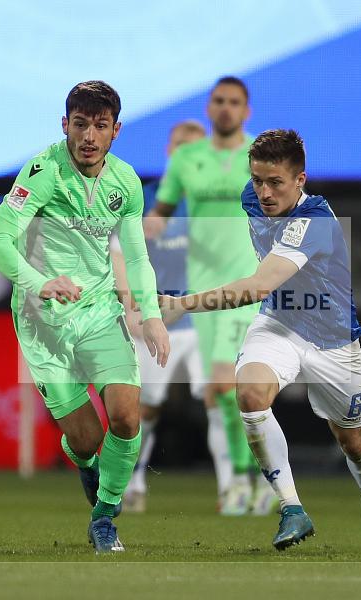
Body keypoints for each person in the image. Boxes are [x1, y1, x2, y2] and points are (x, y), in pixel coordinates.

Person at [159, 129, 361, 553]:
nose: (263, 191)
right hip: (278, 326)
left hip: (333, 342)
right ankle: (292, 508)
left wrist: (183, 305)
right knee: (251, 392)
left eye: (275, 182)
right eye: (257, 179)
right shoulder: (250, 197)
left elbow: (259, 285)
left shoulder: (313, 221)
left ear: (300, 180)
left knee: (355, 442)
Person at [0, 80, 170, 554]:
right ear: (65, 125)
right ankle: (83, 459)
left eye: (100, 126)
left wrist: (150, 315)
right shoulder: (43, 171)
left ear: (116, 131)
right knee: (87, 441)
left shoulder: (125, 182)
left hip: (100, 311)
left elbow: (137, 255)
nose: (89, 136)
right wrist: (37, 281)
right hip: (43, 321)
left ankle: (104, 518)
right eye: (80, 124)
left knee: (126, 418)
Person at [145, 76, 275, 516]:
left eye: (234, 102)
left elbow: (284, 204)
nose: (225, 109)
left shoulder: (261, 154)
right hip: (202, 291)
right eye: (218, 101)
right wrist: (146, 228)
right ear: (208, 107)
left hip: (248, 283)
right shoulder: (186, 158)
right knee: (222, 390)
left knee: (236, 384)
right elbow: (161, 211)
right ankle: (247, 479)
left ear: (246, 111)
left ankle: (253, 480)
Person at [111, 120, 232, 513]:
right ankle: (134, 483)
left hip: (204, 322)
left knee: (221, 398)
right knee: (145, 406)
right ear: (169, 151)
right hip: (157, 318)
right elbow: (119, 256)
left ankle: (232, 488)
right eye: (180, 146)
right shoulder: (144, 200)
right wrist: (135, 308)